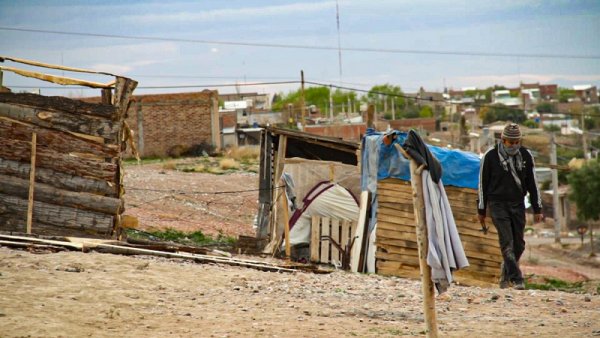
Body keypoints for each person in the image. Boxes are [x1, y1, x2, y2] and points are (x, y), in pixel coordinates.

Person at [477, 123, 543, 289]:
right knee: (507, 243)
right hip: (497, 204)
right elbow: (482, 185)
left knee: (519, 245)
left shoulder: (526, 156)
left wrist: (537, 208)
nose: (513, 146)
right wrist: (482, 209)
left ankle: (505, 272)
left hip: (518, 204)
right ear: (503, 140)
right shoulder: (490, 157)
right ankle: (517, 279)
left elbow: (532, 183)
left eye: (516, 142)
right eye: (510, 142)